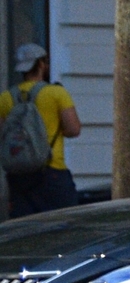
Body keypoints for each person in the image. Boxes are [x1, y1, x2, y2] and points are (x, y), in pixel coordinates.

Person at [7, 43, 81, 215]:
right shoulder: (57, 93)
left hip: (18, 176)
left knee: (24, 231)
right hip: (52, 171)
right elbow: (74, 129)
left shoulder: (6, 98)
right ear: (40, 64)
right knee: (65, 226)